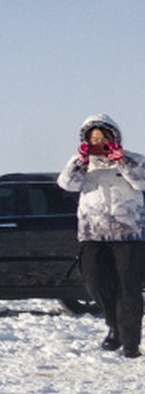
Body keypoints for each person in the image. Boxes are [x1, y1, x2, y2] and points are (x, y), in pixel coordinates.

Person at [59, 114, 145, 357]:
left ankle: (130, 342)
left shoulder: (135, 160)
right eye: (93, 139)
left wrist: (123, 162)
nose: (99, 143)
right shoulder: (81, 164)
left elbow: (142, 183)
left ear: (114, 138)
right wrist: (81, 161)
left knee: (129, 289)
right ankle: (114, 327)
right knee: (96, 284)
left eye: (103, 138)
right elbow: (66, 184)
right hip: (92, 235)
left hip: (129, 235)